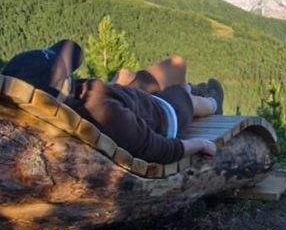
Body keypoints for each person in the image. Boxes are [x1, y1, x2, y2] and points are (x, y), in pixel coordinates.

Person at [1, 39, 224, 164]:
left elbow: (73, 55)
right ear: (61, 87)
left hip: (127, 100)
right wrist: (199, 144)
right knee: (183, 92)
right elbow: (153, 148)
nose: (71, 74)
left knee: (173, 64)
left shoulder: (70, 100)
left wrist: (115, 86)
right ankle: (211, 101)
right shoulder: (100, 110)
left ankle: (193, 89)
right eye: (67, 74)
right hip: (162, 114)